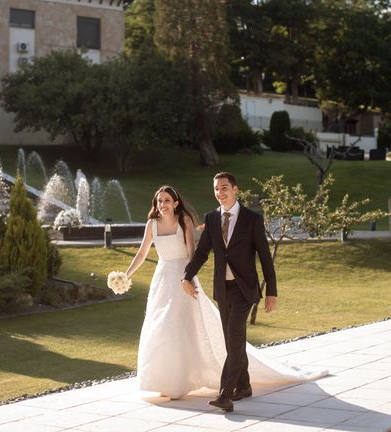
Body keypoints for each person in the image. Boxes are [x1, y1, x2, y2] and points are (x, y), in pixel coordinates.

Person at [127, 184, 326, 402]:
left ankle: (206, 388)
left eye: (166, 200)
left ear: (175, 203)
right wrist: (126, 275)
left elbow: (195, 253)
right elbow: (142, 252)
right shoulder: (151, 224)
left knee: (183, 327)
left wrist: (189, 278)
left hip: (184, 279)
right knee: (159, 328)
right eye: (158, 201)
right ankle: (164, 381)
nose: (162, 204)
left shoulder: (184, 221)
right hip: (161, 280)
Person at [182, 172, 290, 412]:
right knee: (234, 341)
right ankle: (244, 385)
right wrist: (186, 276)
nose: (220, 193)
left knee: (234, 338)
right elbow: (202, 252)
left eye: (224, 188)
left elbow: (264, 257)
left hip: (244, 290)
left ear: (235, 189)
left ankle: (225, 395)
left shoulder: (252, 219)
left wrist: (271, 291)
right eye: (216, 189)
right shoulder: (211, 219)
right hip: (223, 289)